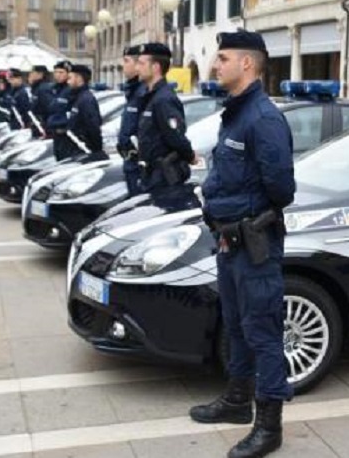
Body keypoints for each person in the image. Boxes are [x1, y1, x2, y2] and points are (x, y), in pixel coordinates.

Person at [190, 30, 296, 458]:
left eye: (224, 58)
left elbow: (281, 188)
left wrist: (245, 219)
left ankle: (269, 427)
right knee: (235, 326)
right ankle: (237, 400)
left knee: (263, 334)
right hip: (229, 243)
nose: (217, 65)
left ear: (247, 65)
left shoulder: (263, 118)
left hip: (255, 246)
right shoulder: (235, 114)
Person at [134, 42, 195, 194]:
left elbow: (175, 136)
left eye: (141, 63)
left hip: (163, 177)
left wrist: (190, 155)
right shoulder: (151, 97)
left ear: (155, 67)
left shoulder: (163, 99)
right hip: (150, 174)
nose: (137, 68)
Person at [116, 45, 146, 197]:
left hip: (139, 166)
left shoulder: (143, 93)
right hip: (130, 163)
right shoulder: (133, 92)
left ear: (137, 64)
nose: (123, 65)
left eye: (126, 61)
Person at [65, 64, 105, 160]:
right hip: (76, 148)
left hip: (84, 150)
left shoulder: (86, 99)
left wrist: (95, 151)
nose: (68, 81)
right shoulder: (78, 97)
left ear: (79, 78)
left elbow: (93, 127)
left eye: (70, 78)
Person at [46, 60, 74, 160]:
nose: (58, 75)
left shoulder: (71, 90)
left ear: (68, 74)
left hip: (66, 135)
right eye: (56, 72)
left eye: (61, 72)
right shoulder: (54, 89)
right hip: (55, 133)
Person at [28, 65, 53, 137]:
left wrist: (44, 124)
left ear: (40, 74)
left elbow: (48, 108)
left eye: (33, 73)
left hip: (42, 127)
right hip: (37, 125)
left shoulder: (43, 88)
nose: (30, 75)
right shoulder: (36, 88)